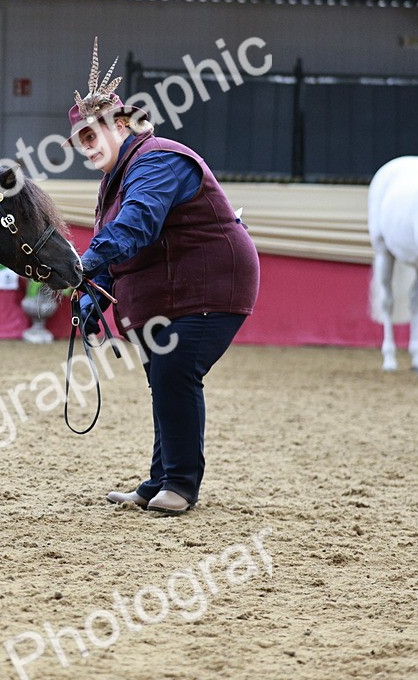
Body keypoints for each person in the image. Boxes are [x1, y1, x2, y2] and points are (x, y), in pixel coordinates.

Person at [68, 39, 259, 516]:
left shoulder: (156, 159)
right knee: (165, 374)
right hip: (175, 292)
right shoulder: (120, 176)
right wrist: (96, 296)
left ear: (120, 126)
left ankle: (181, 485)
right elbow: (123, 246)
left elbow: (135, 227)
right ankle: (160, 481)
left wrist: (82, 267)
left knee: (174, 372)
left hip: (208, 287)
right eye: (81, 141)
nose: (87, 148)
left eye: (94, 136)